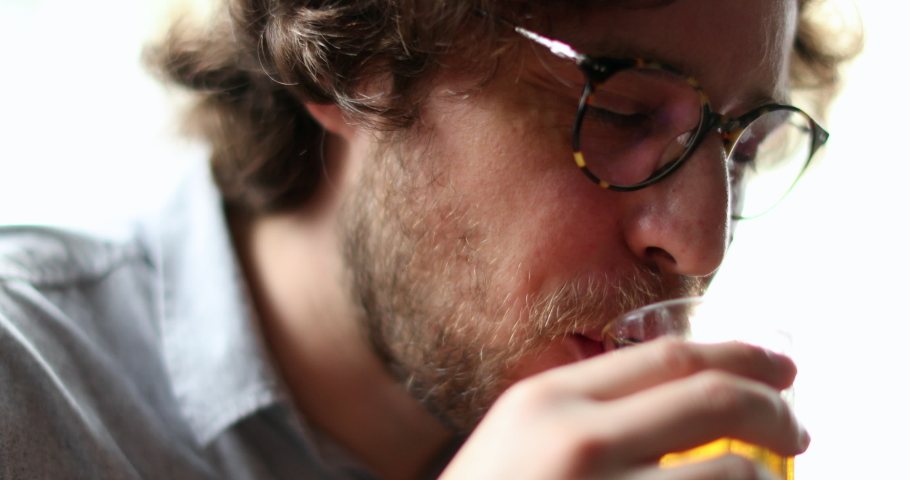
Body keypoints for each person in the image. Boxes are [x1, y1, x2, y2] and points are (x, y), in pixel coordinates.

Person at [0, 0, 857, 478]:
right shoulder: (26, 395)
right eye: (623, 111)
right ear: (354, 61)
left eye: (739, 148)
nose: (703, 243)